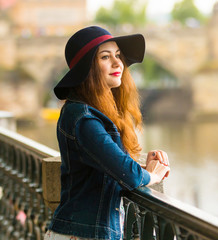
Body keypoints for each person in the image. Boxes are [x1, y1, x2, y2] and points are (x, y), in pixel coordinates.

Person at [45, 26, 170, 240]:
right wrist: (153, 175)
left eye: (118, 55)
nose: (118, 63)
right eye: (105, 57)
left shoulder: (90, 114)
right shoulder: (83, 118)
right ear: (87, 68)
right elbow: (126, 174)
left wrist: (143, 168)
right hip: (80, 234)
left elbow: (106, 167)